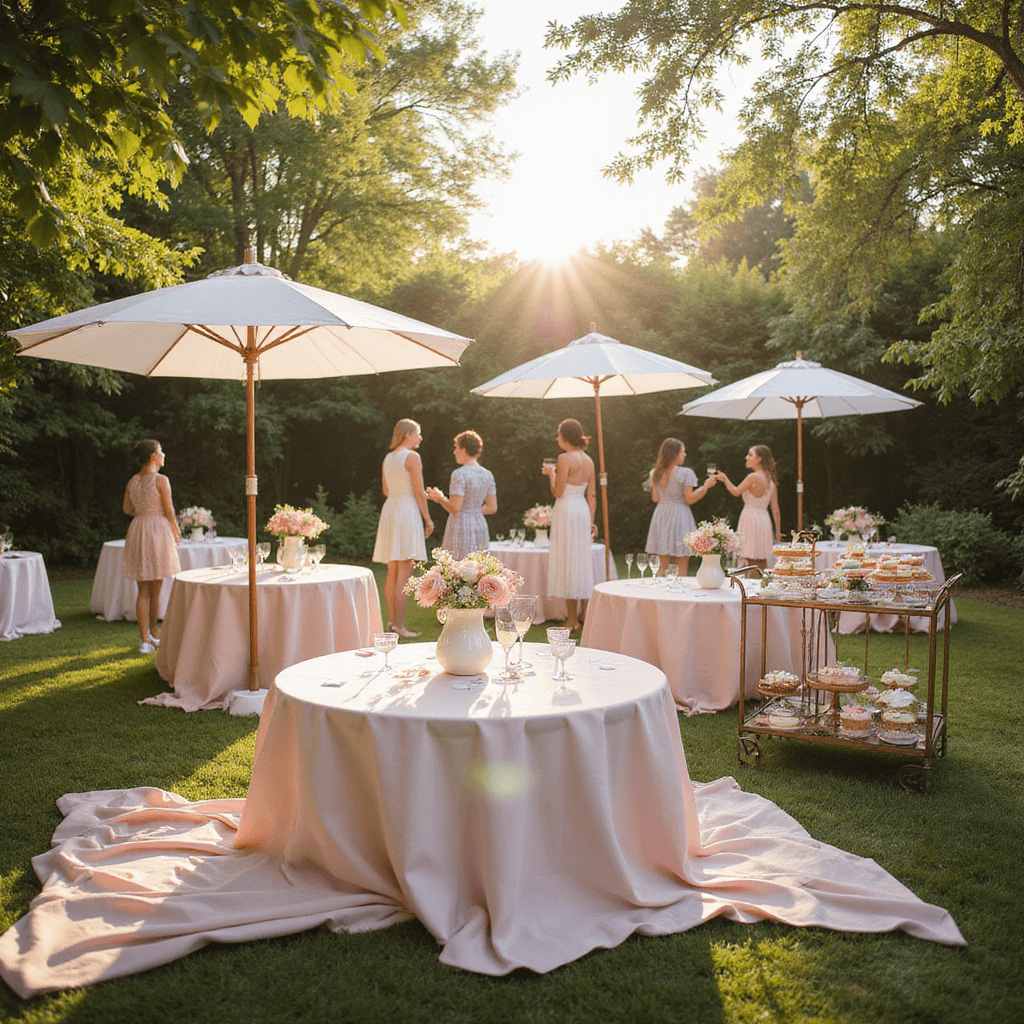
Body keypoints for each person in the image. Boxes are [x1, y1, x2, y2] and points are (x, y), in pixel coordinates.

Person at [372, 418, 434, 638]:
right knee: (405, 572)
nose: (420, 438)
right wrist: (427, 518)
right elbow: (419, 492)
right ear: (408, 434)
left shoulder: (388, 458)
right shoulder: (412, 457)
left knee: (393, 571)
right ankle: (399, 625)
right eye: (418, 433)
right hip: (406, 510)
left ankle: (392, 622)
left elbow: (386, 491)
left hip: (391, 510)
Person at [122, 439, 181, 654]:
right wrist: (175, 530)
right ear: (154, 456)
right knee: (153, 587)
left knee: (147, 588)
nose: (164, 454)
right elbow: (169, 509)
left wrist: (143, 509)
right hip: (157, 529)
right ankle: (148, 636)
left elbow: (127, 508)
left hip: (139, 528)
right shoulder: (161, 480)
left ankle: (149, 637)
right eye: (161, 451)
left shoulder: (132, 481)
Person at [541, 418, 597, 632]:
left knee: (567, 560)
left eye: (559, 435)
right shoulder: (589, 460)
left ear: (564, 437)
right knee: (581, 560)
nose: (558, 439)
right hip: (582, 510)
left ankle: (572, 620)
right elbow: (592, 495)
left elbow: (558, 491)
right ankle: (583, 615)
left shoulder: (564, 458)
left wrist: (551, 474)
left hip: (566, 510)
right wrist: (591, 521)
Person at [645, 438, 717, 576]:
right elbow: (690, 499)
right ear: (675, 454)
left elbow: (655, 498)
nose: (685, 455)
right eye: (683, 452)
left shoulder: (655, 472)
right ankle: (680, 594)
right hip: (680, 515)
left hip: (661, 514)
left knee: (662, 565)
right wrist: (706, 486)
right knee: (681, 563)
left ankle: (660, 595)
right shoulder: (685, 473)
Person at [426, 430, 497, 559]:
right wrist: (473, 510)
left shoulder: (459, 474)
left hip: (461, 526)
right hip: (479, 524)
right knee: (479, 567)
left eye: (456, 448)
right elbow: (492, 508)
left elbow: (455, 508)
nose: (454, 452)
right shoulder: (488, 474)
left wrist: (440, 498)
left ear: (464, 449)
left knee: (458, 568)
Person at [713, 445, 782, 568]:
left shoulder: (753, 477)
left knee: (748, 556)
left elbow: (736, 491)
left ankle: (746, 583)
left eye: (750, 455)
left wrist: (725, 479)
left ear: (759, 459)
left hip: (750, 517)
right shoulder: (771, 479)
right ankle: (761, 583)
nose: (747, 457)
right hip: (764, 519)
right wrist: (777, 532)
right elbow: (775, 509)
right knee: (760, 559)